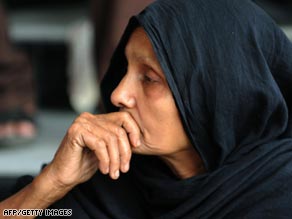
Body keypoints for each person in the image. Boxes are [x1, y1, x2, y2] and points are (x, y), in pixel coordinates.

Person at [1, 0, 292, 218]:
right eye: (124, 69)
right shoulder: (109, 180)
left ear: (216, 93)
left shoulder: (278, 197)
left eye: (150, 78)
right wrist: (49, 185)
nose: (118, 94)